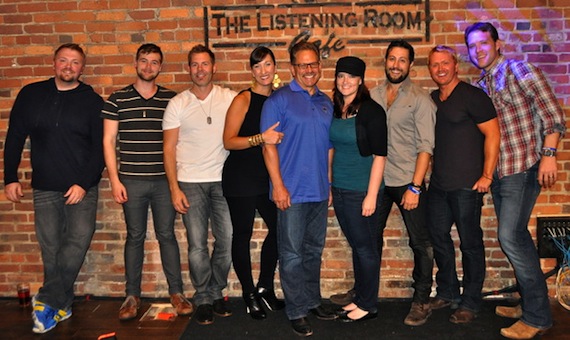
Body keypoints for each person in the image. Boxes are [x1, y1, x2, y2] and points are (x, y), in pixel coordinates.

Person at [465, 22, 566, 339]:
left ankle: (537, 318)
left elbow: (553, 114)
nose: (478, 50)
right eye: (472, 46)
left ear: (497, 44)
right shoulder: (480, 85)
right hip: (498, 173)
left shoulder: (519, 70)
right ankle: (527, 300)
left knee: (509, 236)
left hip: (522, 168)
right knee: (517, 237)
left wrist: (549, 155)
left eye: (483, 43)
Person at [331, 40, 436, 326]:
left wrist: (415, 186)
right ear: (385, 61)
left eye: (402, 60)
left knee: (420, 242)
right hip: (375, 182)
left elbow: (426, 146)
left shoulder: (420, 99)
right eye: (392, 59)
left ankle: (421, 299)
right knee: (367, 241)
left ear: (410, 65)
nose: (396, 64)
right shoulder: (373, 96)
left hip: (405, 179)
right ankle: (364, 294)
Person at [3, 43, 104, 334]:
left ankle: (47, 300)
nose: (69, 67)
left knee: (78, 241)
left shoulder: (92, 101)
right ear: (54, 63)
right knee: (51, 248)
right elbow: (14, 138)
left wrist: (83, 183)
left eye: (75, 63)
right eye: (64, 61)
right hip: (45, 187)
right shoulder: (31, 94)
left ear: (82, 69)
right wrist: (10, 177)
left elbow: (100, 150)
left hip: (82, 188)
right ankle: (61, 303)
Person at [101, 43, 193, 321]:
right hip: (131, 180)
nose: (148, 66)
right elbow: (108, 141)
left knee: (167, 236)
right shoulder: (117, 99)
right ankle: (131, 296)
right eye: (144, 61)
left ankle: (176, 293)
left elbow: (180, 142)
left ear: (160, 67)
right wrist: (114, 180)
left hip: (165, 182)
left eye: (154, 62)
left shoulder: (172, 100)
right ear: (136, 63)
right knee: (135, 236)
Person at [260, 41, 336, 337]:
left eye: (313, 64)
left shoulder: (326, 101)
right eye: (302, 65)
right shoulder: (278, 101)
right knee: (291, 254)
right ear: (292, 68)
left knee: (313, 250)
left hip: (318, 190)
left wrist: (327, 183)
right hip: (290, 191)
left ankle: (313, 300)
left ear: (319, 66)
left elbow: (329, 147)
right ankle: (296, 310)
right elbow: (268, 147)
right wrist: (278, 186)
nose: (308, 70)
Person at [163, 44, 236, 326]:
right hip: (190, 182)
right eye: (194, 64)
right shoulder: (178, 103)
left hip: (222, 181)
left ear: (214, 67)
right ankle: (203, 296)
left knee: (227, 240)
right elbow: (168, 149)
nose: (200, 69)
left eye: (205, 64)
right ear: (188, 68)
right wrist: (174, 188)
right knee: (196, 245)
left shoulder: (229, 98)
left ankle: (217, 290)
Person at [426, 45, 500, 324]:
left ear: (456, 65)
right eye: (434, 65)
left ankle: (470, 302)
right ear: (430, 68)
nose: (440, 69)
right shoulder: (433, 99)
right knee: (438, 238)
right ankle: (447, 291)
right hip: (439, 186)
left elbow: (493, 134)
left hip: (467, 187)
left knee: (470, 244)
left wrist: (487, 176)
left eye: (445, 63)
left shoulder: (473, 96)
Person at [222, 46, 285, 320]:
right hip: (240, 177)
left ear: (275, 67)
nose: (263, 71)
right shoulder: (243, 99)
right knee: (242, 234)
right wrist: (261, 138)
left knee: (281, 229)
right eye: (257, 66)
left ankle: (265, 287)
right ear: (251, 71)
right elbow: (228, 141)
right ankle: (248, 294)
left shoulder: (280, 98)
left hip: (267, 177)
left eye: (267, 65)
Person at [329, 56, 387, 322]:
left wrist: (372, 195)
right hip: (340, 188)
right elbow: (332, 149)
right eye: (341, 76)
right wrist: (330, 184)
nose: (345, 81)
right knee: (357, 245)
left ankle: (368, 304)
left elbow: (380, 156)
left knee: (365, 248)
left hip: (361, 190)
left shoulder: (372, 111)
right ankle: (361, 297)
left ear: (360, 80)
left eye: (351, 77)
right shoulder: (335, 108)